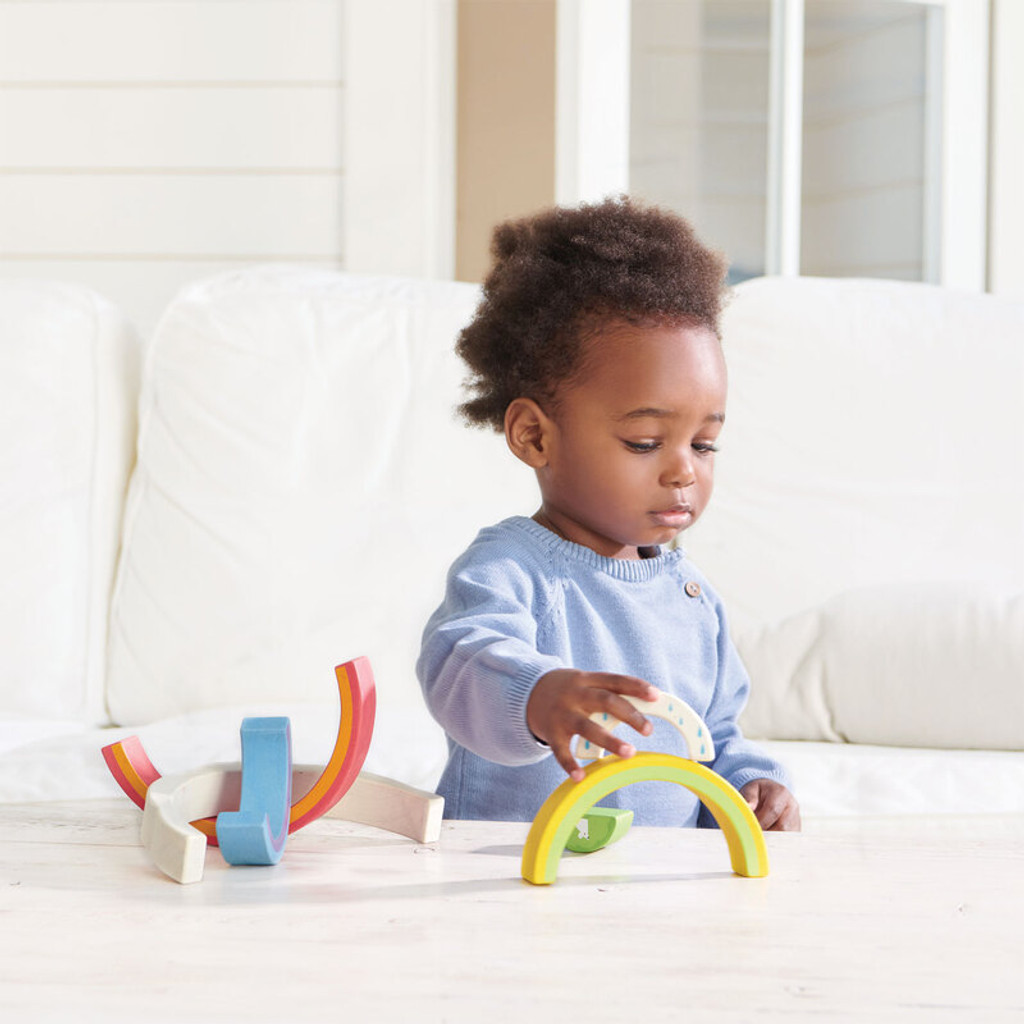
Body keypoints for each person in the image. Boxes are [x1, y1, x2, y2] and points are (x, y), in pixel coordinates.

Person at [417, 197, 800, 831]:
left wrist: (753, 786)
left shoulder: (691, 598)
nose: (684, 470)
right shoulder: (509, 569)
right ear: (535, 436)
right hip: (504, 880)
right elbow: (460, 664)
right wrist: (537, 696)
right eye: (645, 443)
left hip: (653, 896)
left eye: (704, 444)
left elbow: (714, 739)